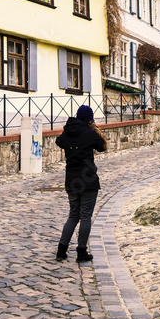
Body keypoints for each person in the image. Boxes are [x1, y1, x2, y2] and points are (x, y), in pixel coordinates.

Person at [55, 104, 107, 263]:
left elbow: (59, 142)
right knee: (85, 217)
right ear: (89, 119)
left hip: (71, 180)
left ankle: (61, 250)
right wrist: (94, 129)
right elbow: (102, 147)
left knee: (73, 215)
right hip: (88, 180)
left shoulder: (67, 132)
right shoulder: (90, 133)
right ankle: (81, 251)